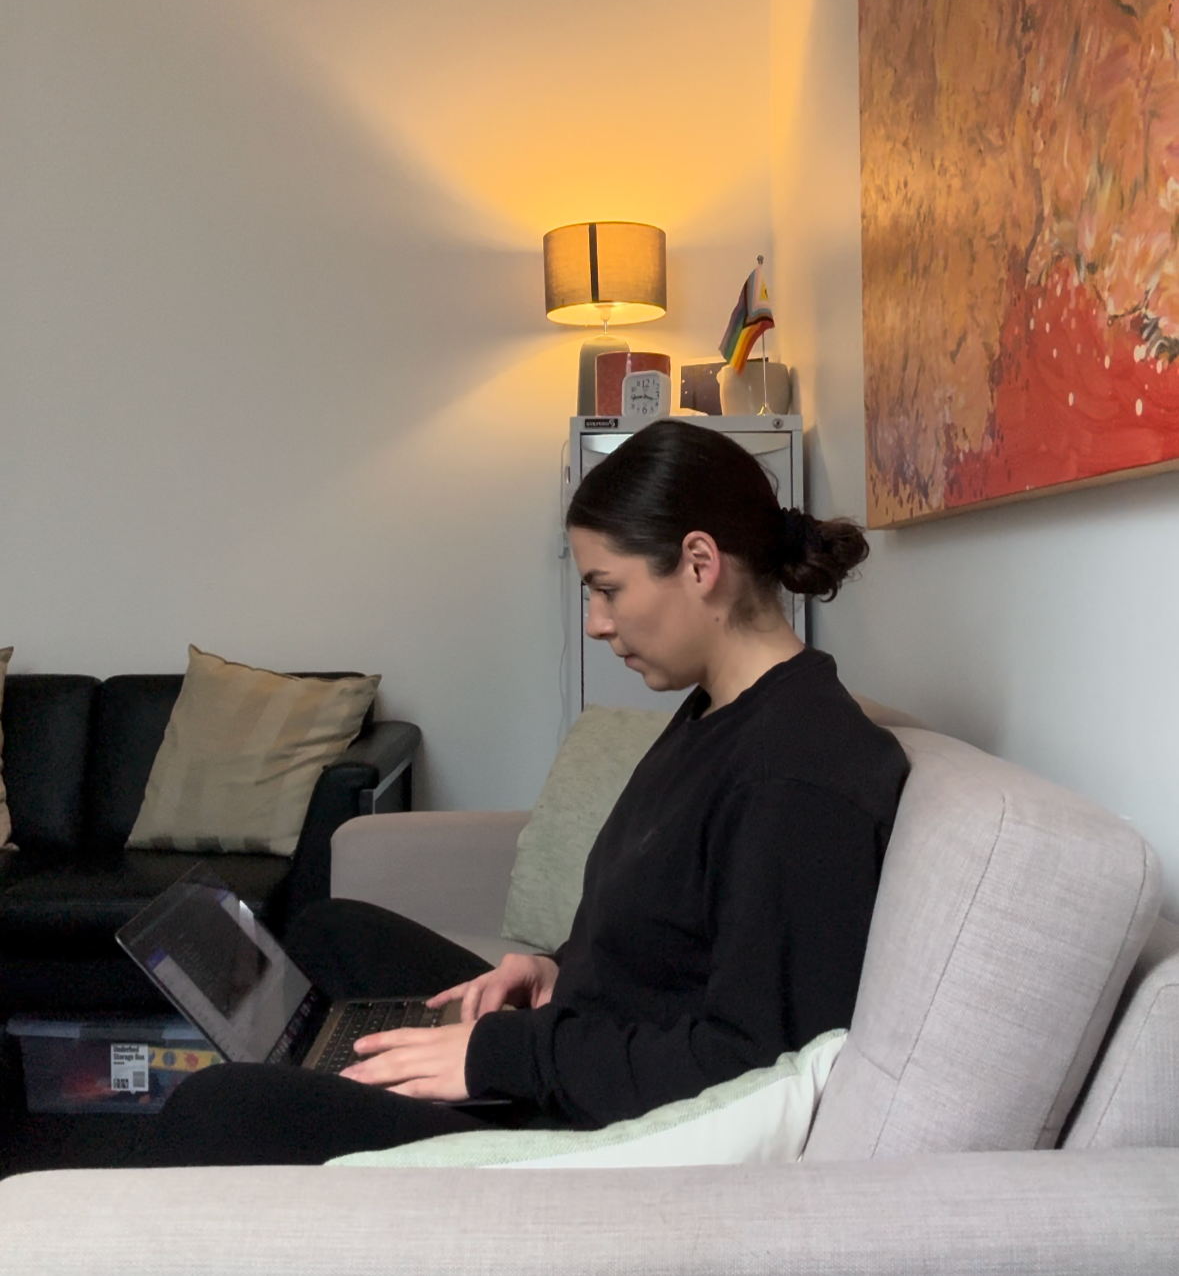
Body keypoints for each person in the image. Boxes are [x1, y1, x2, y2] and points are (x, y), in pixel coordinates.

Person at [148, 419, 908, 1165]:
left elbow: (744, 1068)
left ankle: (325, 1112)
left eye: (606, 588)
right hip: (575, 1039)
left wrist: (501, 1058)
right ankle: (342, 1091)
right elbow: (665, 933)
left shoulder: (797, 775)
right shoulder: (719, 711)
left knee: (213, 1111)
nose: (597, 623)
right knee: (329, 931)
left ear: (699, 563)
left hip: (588, 1115)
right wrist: (553, 969)